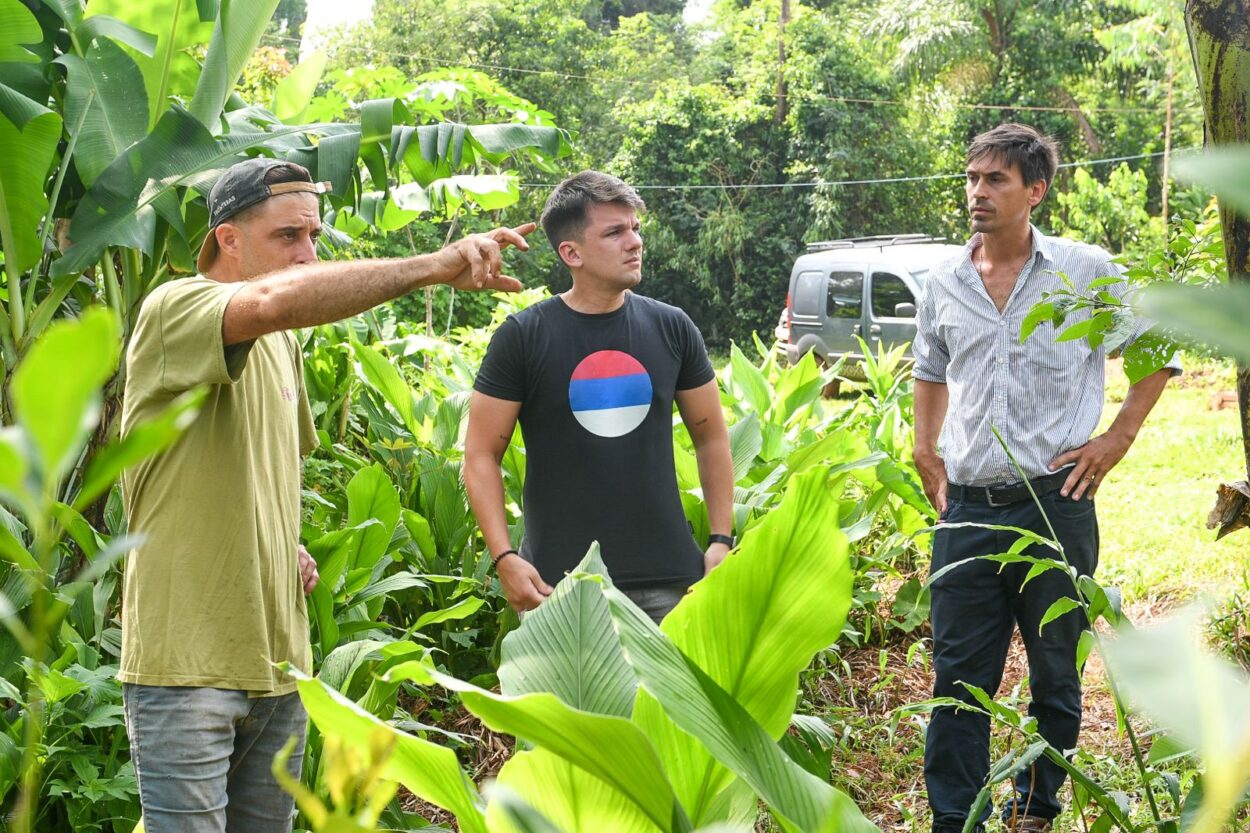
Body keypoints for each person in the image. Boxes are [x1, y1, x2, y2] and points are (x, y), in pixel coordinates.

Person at [119, 156, 532, 833]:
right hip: (186, 666)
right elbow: (273, 301)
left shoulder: (280, 348)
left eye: (314, 237)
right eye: (288, 237)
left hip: (279, 663)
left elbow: (259, 467)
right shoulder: (176, 307)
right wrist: (432, 264)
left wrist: (290, 545)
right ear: (228, 238)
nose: (307, 255)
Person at [912, 123, 1179, 833]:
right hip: (967, 513)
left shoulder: (1084, 271)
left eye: (994, 180)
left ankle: (1035, 808)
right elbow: (930, 368)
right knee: (958, 682)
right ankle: (954, 820)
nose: (977, 192)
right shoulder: (944, 280)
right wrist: (924, 446)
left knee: (1056, 672)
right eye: (971, 178)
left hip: (1055, 504)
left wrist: (1117, 437)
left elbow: (1155, 354)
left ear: (1036, 191)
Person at [464, 170, 734, 624]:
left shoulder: (672, 328)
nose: (634, 242)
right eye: (614, 232)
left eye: (635, 229)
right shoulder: (523, 337)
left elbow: (712, 439)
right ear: (571, 253)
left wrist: (721, 540)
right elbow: (480, 455)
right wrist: (504, 557)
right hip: (559, 586)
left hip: (671, 580)